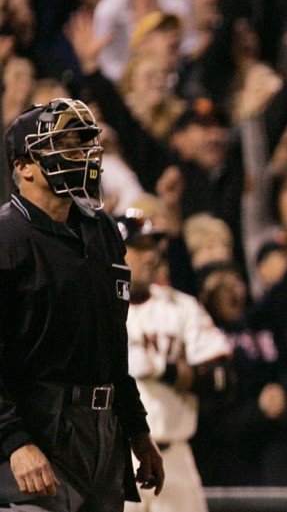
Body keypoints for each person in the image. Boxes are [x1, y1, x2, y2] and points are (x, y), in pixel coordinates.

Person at [0, 98, 164, 510]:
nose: (84, 154)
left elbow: (112, 345)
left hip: (103, 429)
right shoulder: (6, 238)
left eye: (85, 143)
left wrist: (137, 430)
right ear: (24, 166)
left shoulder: (103, 230)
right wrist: (14, 440)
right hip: (37, 420)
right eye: (66, 146)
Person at [119, 209, 232, 512]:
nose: (150, 255)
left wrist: (165, 370)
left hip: (174, 456)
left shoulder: (180, 306)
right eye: (139, 247)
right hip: (115, 456)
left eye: (153, 246)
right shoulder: (96, 307)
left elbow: (221, 378)